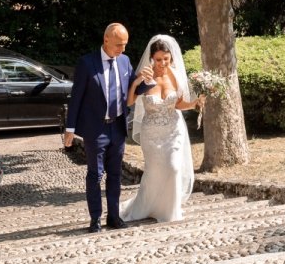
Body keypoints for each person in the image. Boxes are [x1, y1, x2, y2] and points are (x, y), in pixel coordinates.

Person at [119, 35, 203, 223]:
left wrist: (195, 104)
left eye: (166, 59)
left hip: (174, 129)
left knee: (173, 167)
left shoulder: (176, 75)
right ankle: (148, 207)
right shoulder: (145, 75)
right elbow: (130, 101)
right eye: (158, 59)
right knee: (154, 171)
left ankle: (169, 211)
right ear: (152, 58)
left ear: (171, 57)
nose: (163, 63)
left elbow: (179, 104)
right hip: (152, 132)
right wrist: (135, 82)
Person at [63, 23, 137, 233]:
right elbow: (76, 97)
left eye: (125, 45)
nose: (122, 49)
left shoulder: (125, 61)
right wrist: (70, 129)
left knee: (115, 174)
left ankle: (114, 217)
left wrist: (153, 77)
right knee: (95, 175)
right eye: (118, 45)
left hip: (118, 127)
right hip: (96, 130)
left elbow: (134, 86)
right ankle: (95, 218)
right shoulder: (87, 63)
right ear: (106, 40)